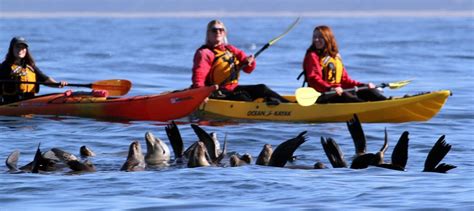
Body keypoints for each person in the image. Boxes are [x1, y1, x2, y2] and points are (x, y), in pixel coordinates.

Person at [191, 20, 289, 105]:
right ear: (208, 34)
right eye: (214, 30)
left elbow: (248, 69)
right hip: (215, 92)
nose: (218, 32)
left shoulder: (230, 49)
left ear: (224, 33)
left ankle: (290, 105)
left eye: (221, 30)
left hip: (232, 89)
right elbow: (199, 76)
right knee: (242, 97)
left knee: (261, 88)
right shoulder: (204, 53)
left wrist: (250, 61)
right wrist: (201, 94)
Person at [300, 25, 386, 104]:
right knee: (347, 95)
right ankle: (368, 109)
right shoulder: (312, 56)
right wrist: (330, 88)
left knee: (367, 90)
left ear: (328, 38)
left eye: (320, 37)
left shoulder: (335, 56)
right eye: (314, 37)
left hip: (338, 92)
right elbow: (314, 79)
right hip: (322, 95)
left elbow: (345, 80)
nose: (316, 40)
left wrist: (363, 85)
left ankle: (386, 103)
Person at [0, 36, 68, 104]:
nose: (20, 49)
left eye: (23, 47)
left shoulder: (30, 67)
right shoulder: (5, 67)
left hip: (30, 103)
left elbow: (45, 79)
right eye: (17, 47)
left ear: (26, 50)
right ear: (12, 49)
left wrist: (58, 84)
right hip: (10, 104)